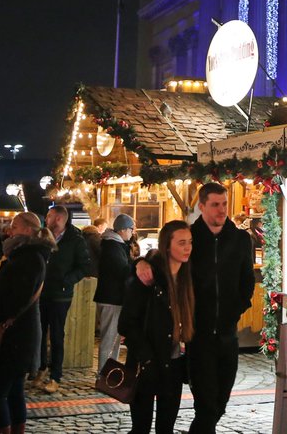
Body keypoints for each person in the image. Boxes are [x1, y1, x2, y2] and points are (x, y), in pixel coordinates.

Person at [139, 181, 254, 434]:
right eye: (215, 205)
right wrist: (140, 262)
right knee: (206, 405)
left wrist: (236, 310)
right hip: (198, 336)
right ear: (202, 206)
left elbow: (247, 283)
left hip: (227, 333)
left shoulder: (240, 239)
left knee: (220, 402)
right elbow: (163, 257)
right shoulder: (192, 237)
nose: (221, 210)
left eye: (224, 204)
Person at [119, 220, 194, 434]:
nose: (187, 247)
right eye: (181, 243)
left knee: (166, 427)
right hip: (147, 364)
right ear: (167, 246)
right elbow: (126, 323)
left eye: (189, 242)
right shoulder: (148, 279)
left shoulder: (188, 278)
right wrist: (147, 358)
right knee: (140, 427)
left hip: (174, 365)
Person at [0, 212, 53, 434]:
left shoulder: (28, 257)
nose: (9, 231)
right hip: (21, 330)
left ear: (26, 230)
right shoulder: (29, 255)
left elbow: (15, 296)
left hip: (15, 333)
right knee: (14, 390)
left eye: (14, 227)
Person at [29, 206, 92, 394]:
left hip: (61, 295)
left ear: (58, 219)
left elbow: (84, 266)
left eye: (48, 216)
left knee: (57, 335)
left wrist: (67, 280)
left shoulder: (75, 240)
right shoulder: (43, 237)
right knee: (39, 332)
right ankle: (41, 368)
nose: (45, 219)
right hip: (41, 292)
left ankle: (55, 376)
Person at [94, 214, 134, 370]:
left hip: (113, 297)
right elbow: (122, 270)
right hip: (111, 298)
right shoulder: (113, 246)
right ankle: (103, 374)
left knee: (114, 338)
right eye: (131, 229)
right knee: (110, 339)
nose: (132, 232)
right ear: (123, 230)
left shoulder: (115, 244)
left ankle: (110, 373)